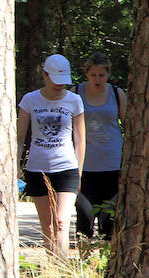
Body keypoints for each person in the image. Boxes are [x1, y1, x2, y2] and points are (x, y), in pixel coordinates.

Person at [17, 53, 85, 259]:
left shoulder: (74, 100)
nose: (59, 85)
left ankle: (64, 271)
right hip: (36, 168)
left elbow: (80, 139)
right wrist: (15, 168)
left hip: (66, 168)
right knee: (47, 226)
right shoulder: (30, 100)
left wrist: (79, 173)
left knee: (61, 222)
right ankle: (51, 270)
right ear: (45, 75)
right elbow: (19, 137)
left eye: (63, 81)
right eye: (55, 80)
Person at [73, 51, 125, 240]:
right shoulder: (76, 93)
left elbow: (129, 126)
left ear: (108, 74)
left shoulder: (117, 94)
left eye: (101, 75)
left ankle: (108, 263)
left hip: (112, 165)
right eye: (93, 75)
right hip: (84, 166)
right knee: (84, 220)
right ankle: (82, 263)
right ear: (86, 74)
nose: (97, 79)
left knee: (109, 221)